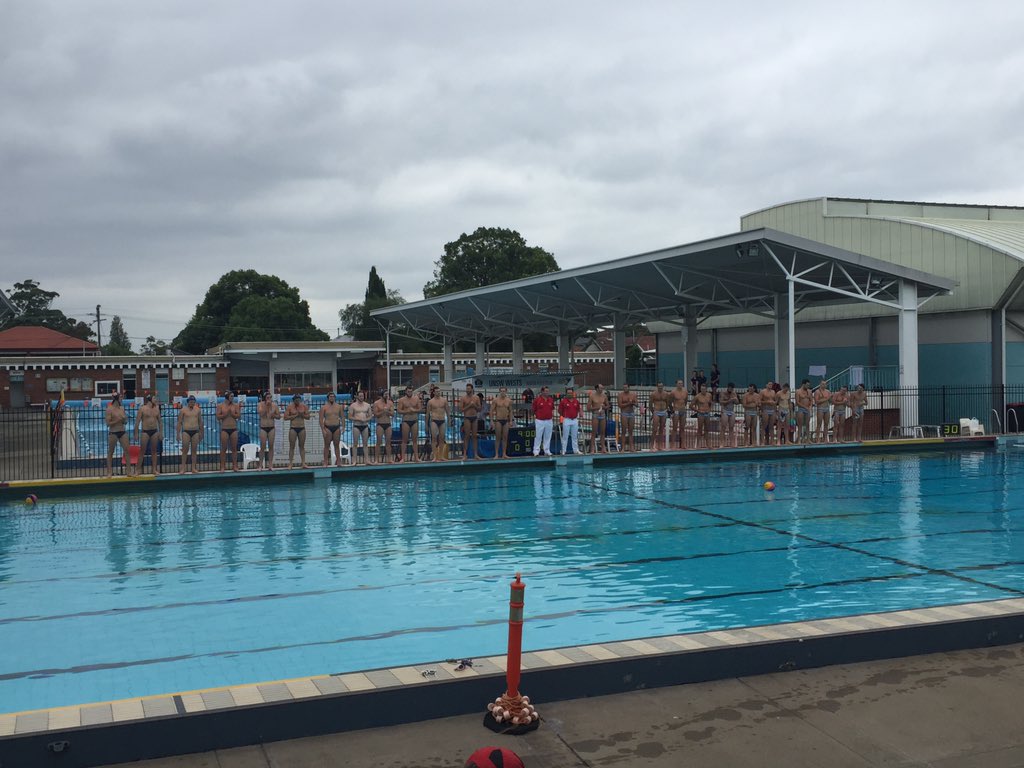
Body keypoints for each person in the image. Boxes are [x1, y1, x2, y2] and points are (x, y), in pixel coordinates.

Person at [135, 393, 162, 475]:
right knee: (142, 451)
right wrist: (136, 434)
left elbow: (160, 422)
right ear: (150, 400)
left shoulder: (157, 409)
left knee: (154, 451)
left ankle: (154, 470)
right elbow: (137, 422)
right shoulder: (142, 409)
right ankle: (138, 470)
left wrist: (161, 433)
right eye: (154, 398)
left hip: (154, 431)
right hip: (145, 432)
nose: (156, 400)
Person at [177, 394, 204, 474]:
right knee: (185, 450)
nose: (192, 403)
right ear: (188, 402)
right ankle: (183, 468)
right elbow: (179, 423)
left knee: (194, 451)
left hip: (195, 432)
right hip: (186, 431)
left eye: (193, 402)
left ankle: (193, 468)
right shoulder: (183, 410)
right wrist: (178, 434)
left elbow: (200, 422)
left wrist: (202, 433)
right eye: (191, 402)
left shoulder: (198, 410)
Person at [105, 391, 130, 477]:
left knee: (127, 451)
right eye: (120, 398)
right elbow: (108, 423)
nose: (122, 399)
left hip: (122, 431)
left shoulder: (122, 408)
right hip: (113, 432)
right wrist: (118, 420)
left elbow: (125, 422)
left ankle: (128, 471)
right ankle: (109, 472)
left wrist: (124, 420)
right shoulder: (109, 409)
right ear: (116, 399)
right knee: (111, 452)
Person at [216, 391, 241, 472]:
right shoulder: (220, 406)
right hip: (224, 429)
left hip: (233, 428)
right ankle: (222, 467)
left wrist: (233, 414)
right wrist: (225, 414)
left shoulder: (236, 405)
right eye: (231, 396)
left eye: (233, 396)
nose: (233, 397)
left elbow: (239, 416)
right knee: (223, 449)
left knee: (234, 449)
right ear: (227, 397)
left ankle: (235, 466)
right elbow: (218, 417)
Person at [284, 394, 311, 468]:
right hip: (293, 428)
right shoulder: (289, 407)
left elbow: (308, 417)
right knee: (291, 446)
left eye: (298, 400)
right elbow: (285, 417)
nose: (297, 401)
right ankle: (290, 464)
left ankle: (303, 463)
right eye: (296, 400)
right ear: (293, 400)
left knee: (302, 446)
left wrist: (302, 415)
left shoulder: (304, 406)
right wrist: (295, 415)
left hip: (302, 428)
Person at [319, 392, 346, 467]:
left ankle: (338, 461)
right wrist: (323, 430)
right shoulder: (324, 407)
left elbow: (342, 417)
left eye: (333, 396)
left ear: (335, 398)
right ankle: (325, 462)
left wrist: (343, 426)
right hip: (327, 427)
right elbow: (321, 420)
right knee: (326, 445)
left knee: (336, 445)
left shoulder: (339, 407)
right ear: (328, 398)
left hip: (336, 427)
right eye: (330, 396)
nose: (332, 398)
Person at [397, 385, 421, 463]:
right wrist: (407, 411)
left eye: (411, 391)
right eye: (408, 391)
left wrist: (413, 410)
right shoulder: (402, 400)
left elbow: (420, 408)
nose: (410, 393)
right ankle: (403, 458)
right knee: (404, 440)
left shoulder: (416, 399)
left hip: (414, 420)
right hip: (406, 421)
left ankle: (416, 458)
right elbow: (399, 411)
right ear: (406, 391)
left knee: (415, 440)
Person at [349, 390, 373, 465]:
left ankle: (367, 460)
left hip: (365, 426)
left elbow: (370, 416)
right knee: (355, 444)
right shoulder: (353, 405)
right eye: (360, 396)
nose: (362, 397)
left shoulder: (367, 405)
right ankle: (354, 461)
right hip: (356, 426)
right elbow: (349, 416)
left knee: (365, 444)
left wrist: (366, 419)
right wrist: (358, 419)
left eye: (362, 396)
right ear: (357, 396)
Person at [257, 391, 281, 469]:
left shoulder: (274, 406)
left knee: (271, 446)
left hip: (271, 428)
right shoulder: (260, 405)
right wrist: (266, 407)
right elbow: (261, 414)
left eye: (270, 398)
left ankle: (270, 464)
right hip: (263, 428)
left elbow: (279, 416)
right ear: (264, 399)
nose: (269, 399)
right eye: (268, 398)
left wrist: (273, 415)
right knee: (262, 446)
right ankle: (260, 465)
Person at [427, 386, 450, 461]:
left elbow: (448, 411)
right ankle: (435, 456)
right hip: (434, 420)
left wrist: (449, 420)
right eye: (437, 391)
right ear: (433, 392)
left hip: (442, 420)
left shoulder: (444, 400)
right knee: (434, 439)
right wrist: (426, 424)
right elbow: (427, 414)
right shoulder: (430, 402)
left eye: (439, 391)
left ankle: (441, 456)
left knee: (442, 438)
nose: (438, 393)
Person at [459, 383, 482, 459]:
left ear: (472, 389)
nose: (467, 390)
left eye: (469, 389)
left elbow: (479, 409)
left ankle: (475, 454)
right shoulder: (463, 398)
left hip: (474, 417)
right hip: (467, 418)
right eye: (467, 389)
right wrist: (469, 405)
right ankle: (465, 454)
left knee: (475, 436)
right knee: (466, 436)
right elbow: (461, 410)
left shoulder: (476, 398)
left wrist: (474, 405)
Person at [531, 385, 555, 457]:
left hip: (549, 420)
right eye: (545, 391)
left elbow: (552, 409)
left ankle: (547, 450)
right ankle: (536, 451)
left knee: (548, 436)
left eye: (548, 391)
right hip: (540, 420)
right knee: (538, 436)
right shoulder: (537, 400)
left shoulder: (551, 399)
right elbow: (533, 409)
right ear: (542, 392)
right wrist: (536, 416)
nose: (547, 392)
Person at [490, 387, 513, 459]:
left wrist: (511, 421)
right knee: (498, 438)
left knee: (505, 438)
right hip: (498, 420)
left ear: (506, 391)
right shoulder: (495, 400)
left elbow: (511, 411)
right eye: (501, 391)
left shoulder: (509, 401)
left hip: (505, 420)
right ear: (499, 391)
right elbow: (491, 411)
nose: (503, 392)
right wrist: (491, 421)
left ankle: (504, 454)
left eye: (504, 391)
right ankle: (496, 454)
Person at [373, 389, 395, 464]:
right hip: (380, 424)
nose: (387, 396)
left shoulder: (390, 403)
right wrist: (383, 411)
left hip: (388, 424)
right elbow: (375, 415)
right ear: (382, 395)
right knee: (378, 442)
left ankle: (389, 459)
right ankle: (376, 459)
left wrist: (387, 411)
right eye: (385, 394)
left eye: (387, 394)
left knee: (388, 443)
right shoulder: (376, 403)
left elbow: (392, 414)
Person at [587, 383, 609, 453]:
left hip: (602, 415)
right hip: (595, 415)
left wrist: (604, 407)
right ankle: (592, 448)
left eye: (602, 388)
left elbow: (608, 406)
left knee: (602, 432)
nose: (602, 389)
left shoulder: (604, 396)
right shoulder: (592, 396)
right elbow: (588, 408)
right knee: (594, 432)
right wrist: (597, 407)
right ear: (596, 389)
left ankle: (603, 447)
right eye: (601, 388)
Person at [559, 387, 581, 454]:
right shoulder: (563, 401)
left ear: (573, 393)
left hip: (574, 420)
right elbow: (559, 410)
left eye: (571, 393)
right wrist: (564, 415)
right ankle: (563, 450)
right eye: (568, 393)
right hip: (567, 420)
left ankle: (576, 450)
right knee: (565, 436)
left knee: (575, 436)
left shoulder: (576, 401)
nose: (570, 394)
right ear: (566, 394)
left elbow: (578, 409)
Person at [649, 382, 670, 451]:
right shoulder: (653, 394)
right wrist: (653, 412)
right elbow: (650, 404)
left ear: (663, 386)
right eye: (659, 386)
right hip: (656, 411)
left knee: (661, 429)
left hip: (663, 411)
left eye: (661, 386)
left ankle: (659, 445)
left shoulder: (666, 394)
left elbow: (667, 403)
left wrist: (665, 409)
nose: (660, 387)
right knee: (654, 429)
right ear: (657, 386)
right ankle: (651, 446)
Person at [617, 383, 638, 452]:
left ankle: (631, 447)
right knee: (623, 431)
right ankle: (623, 448)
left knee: (631, 432)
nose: (625, 389)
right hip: (624, 413)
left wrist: (633, 403)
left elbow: (637, 404)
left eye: (626, 387)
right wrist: (628, 403)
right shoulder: (620, 395)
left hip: (631, 413)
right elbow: (620, 405)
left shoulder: (633, 395)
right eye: (624, 388)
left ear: (629, 387)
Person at [718, 383, 739, 448]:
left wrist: (735, 400)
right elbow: (721, 402)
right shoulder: (723, 393)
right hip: (725, 411)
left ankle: (732, 443)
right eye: (730, 388)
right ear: (728, 387)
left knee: (731, 428)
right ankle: (721, 443)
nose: (731, 389)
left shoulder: (734, 393)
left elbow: (737, 403)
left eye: (732, 388)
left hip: (731, 411)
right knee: (723, 428)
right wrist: (729, 400)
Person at [670, 379, 689, 450]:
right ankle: (672, 444)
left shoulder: (685, 392)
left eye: (681, 383)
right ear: (676, 384)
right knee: (675, 428)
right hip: (676, 410)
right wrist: (673, 409)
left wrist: (683, 407)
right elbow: (670, 402)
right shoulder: (673, 392)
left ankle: (683, 444)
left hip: (683, 411)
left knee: (682, 428)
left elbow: (686, 401)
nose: (680, 384)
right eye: (679, 383)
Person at [693, 383, 713, 449]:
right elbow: (691, 406)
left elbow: (710, 403)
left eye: (704, 389)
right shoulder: (697, 396)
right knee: (700, 429)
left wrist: (710, 409)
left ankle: (708, 444)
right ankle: (698, 444)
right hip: (701, 414)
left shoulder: (709, 395)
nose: (703, 390)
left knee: (707, 429)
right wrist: (698, 411)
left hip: (707, 413)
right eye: (701, 389)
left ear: (706, 389)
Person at [759, 381, 778, 446]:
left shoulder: (773, 392)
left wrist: (775, 411)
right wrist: (767, 402)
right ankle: (762, 442)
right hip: (766, 409)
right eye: (769, 384)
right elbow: (759, 401)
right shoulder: (763, 391)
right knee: (764, 426)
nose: (770, 385)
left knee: (771, 426)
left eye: (771, 384)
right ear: (766, 385)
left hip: (772, 410)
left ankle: (772, 441)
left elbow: (775, 401)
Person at [795, 380, 813, 444]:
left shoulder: (809, 391)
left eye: (809, 385)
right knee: (800, 425)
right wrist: (805, 407)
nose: (808, 386)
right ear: (803, 384)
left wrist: (810, 406)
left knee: (807, 425)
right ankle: (799, 440)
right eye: (807, 385)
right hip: (801, 409)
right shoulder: (798, 391)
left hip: (807, 409)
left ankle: (808, 439)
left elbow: (811, 400)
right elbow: (797, 402)